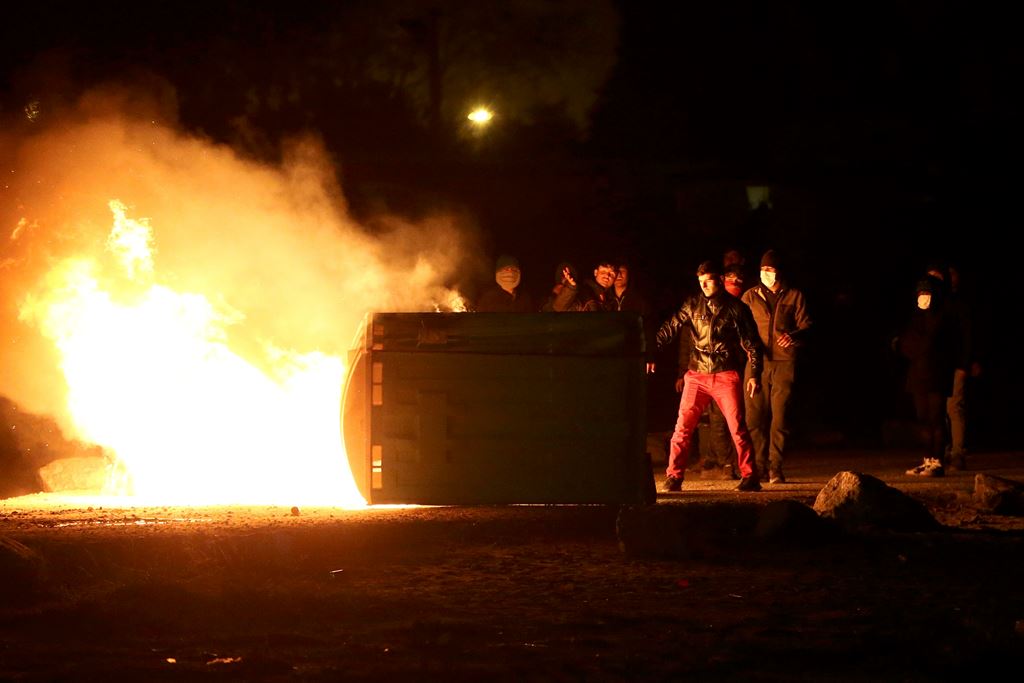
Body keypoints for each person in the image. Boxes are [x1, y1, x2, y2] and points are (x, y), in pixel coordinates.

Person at [655, 260, 764, 492]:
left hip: (725, 373)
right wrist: (650, 351)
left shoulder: (736, 308)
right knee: (682, 427)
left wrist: (754, 373)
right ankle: (674, 476)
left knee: (737, 428)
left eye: (709, 280)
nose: (704, 285)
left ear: (720, 281)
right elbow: (670, 327)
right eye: (700, 281)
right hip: (697, 374)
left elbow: (753, 343)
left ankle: (750, 475)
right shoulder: (692, 304)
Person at [741, 249, 812, 484]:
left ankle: (775, 468)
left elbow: (807, 326)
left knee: (779, 419)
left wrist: (793, 336)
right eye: (763, 270)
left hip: (784, 363)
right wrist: (750, 352)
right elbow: (740, 327)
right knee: (754, 419)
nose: (766, 274)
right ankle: (758, 467)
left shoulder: (794, 296)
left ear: (779, 271)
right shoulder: (750, 296)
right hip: (756, 363)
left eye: (770, 270)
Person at [895, 275, 961, 477]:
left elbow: (935, 344)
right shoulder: (916, 318)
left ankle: (937, 460)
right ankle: (927, 459)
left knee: (936, 418)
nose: (923, 297)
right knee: (922, 418)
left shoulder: (942, 317)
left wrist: (916, 345)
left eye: (927, 293)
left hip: (937, 374)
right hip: (918, 374)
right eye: (920, 294)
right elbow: (906, 344)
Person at [925, 262, 979, 470]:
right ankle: (944, 449)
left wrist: (965, 363)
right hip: (938, 366)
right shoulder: (934, 304)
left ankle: (957, 452)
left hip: (954, 364)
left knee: (954, 407)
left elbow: (966, 335)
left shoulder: (957, 304)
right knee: (940, 411)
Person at [546, 259, 617, 312]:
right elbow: (559, 307)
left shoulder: (613, 300)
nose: (607, 276)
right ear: (595, 273)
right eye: (603, 272)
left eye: (612, 274)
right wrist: (571, 286)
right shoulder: (583, 292)